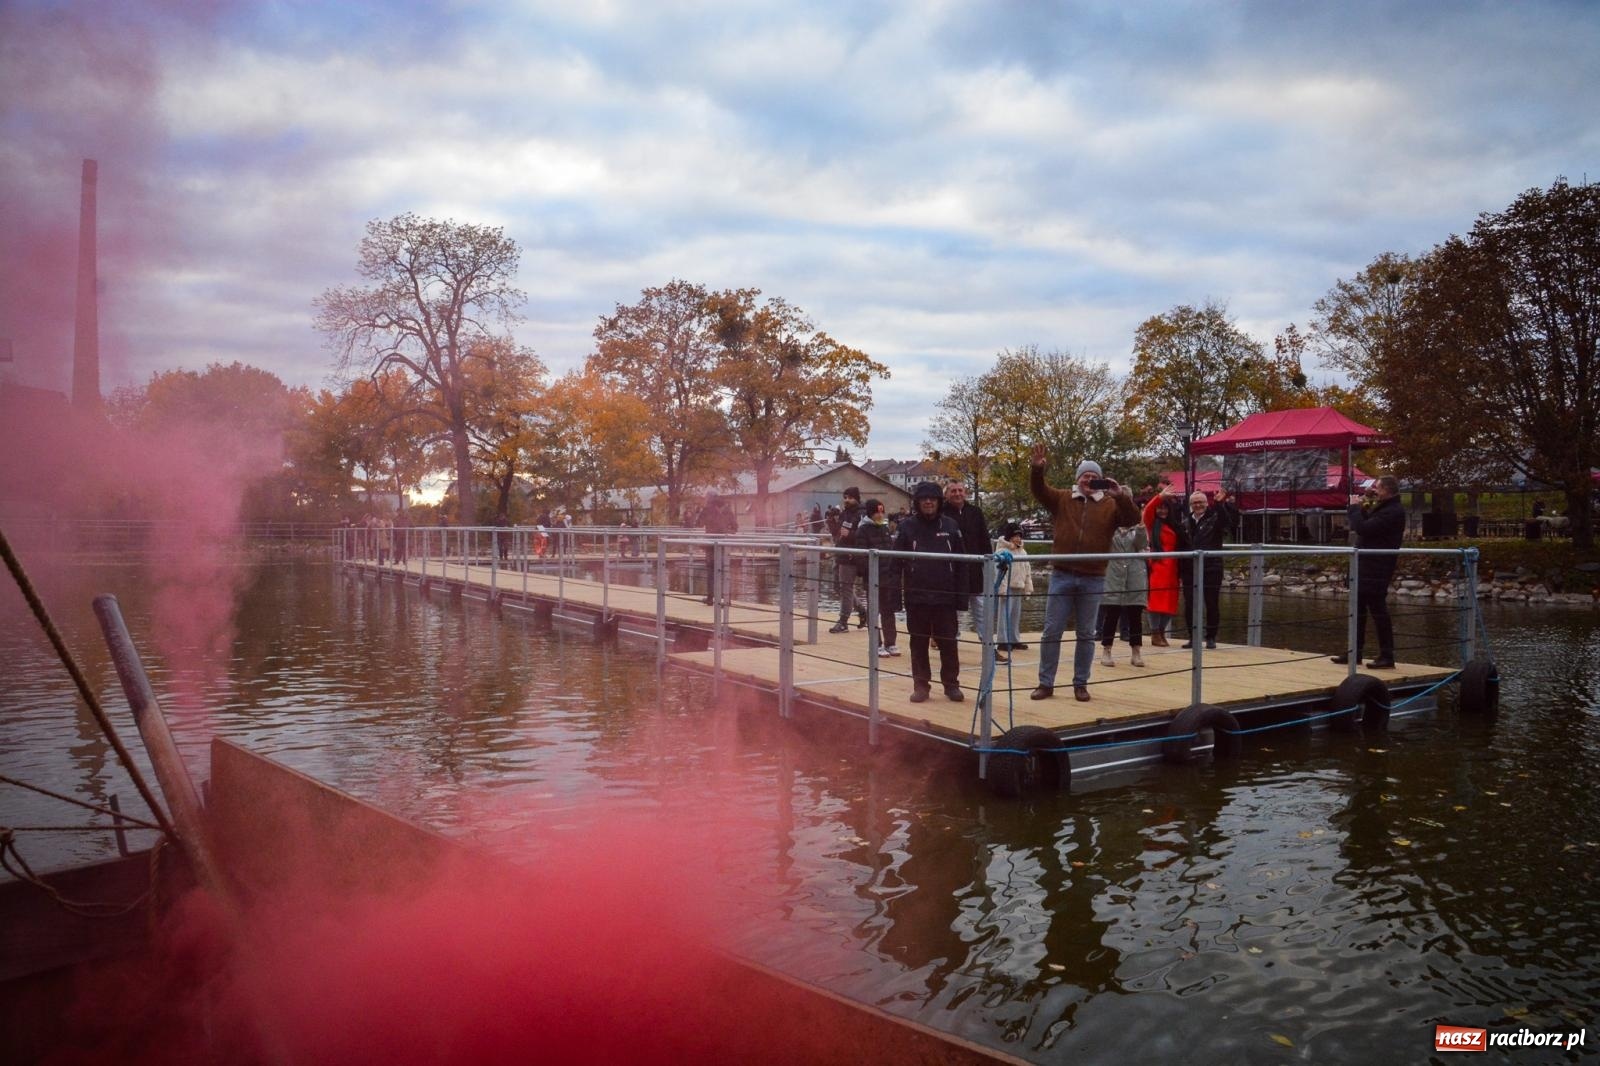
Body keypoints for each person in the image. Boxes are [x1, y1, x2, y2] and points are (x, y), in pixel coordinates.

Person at [1029, 446, 1139, 702]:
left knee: (1086, 634)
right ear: (1077, 478)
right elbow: (1039, 490)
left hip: (1093, 576)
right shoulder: (1062, 498)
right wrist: (1037, 468)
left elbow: (1132, 519)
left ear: (1101, 480)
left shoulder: (1110, 504)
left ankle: (1081, 683)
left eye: (1094, 477)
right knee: (1052, 631)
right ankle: (1045, 683)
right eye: (1085, 476)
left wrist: (1121, 496)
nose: (1089, 480)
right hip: (1062, 574)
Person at [893, 481, 965, 702]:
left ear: (939, 502)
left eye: (932, 499)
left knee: (949, 643)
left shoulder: (951, 526)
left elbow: (962, 564)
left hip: (945, 596)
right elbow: (894, 565)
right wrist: (895, 598)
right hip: (916, 596)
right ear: (917, 502)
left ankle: (951, 684)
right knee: (918, 643)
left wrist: (962, 599)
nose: (928, 502)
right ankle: (921, 685)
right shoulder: (906, 527)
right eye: (924, 499)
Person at [1335, 474, 1405, 668]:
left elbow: (1363, 529)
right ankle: (1354, 652)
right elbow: (1369, 526)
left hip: (1377, 567)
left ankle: (1387, 655)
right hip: (1367, 566)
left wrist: (1354, 508)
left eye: (1378, 488)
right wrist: (1363, 506)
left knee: (1378, 611)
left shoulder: (1393, 511)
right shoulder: (1385, 508)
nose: (1375, 491)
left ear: (1386, 490)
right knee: (1358, 610)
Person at [1180, 488, 1239, 649]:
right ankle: (1193, 637)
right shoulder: (1185, 521)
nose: (1198, 505)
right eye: (1194, 503)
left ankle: (1211, 637)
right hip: (1190, 569)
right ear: (1191, 505)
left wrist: (1220, 504)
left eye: (1200, 502)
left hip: (1212, 567)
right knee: (1190, 604)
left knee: (1211, 603)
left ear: (1207, 503)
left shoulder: (1215, 517)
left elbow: (1228, 522)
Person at [941, 481, 991, 641]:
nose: (957, 494)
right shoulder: (941, 513)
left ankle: (988, 643)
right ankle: (950, 642)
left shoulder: (975, 512)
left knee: (981, 607)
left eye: (960, 490)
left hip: (974, 568)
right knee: (952, 609)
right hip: (952, 570)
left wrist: (988, 560)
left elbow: (984, 538)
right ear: (947, 494)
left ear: (965, 492)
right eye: (953, 491)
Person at [1098, 518, 1148, 667]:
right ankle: (1106, 650)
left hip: (1134, 574)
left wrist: (1140, 528)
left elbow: (1142, 545)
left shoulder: (1137, 528)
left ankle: (1136, 652)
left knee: (1135, 614)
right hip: (1114, 573)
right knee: (1111, 613)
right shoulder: (1109, 527)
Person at [1142, 489, 1189, 646]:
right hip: (1158, 567)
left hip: (1173, 567)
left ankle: (1161, 632)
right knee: (1155, 602)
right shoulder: (1151, 524)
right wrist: (1159, 497)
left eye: (1165, 508)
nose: (1163, 511)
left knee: (1170, 602)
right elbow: (1147, 510)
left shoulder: (1174, 525)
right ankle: (1155, 632)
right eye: (1160, 508)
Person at [855, 498, 901, 657]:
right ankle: (876, 644)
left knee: (888, 609)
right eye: (877, 512)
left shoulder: (884, 528)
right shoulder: (862, 530)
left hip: (887, 575)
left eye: (882, 512)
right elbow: (861, 556)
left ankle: (891, 642)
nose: (880, 515)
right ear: (870, 513)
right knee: (874, 610)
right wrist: (867, 572)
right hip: (872, 577)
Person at [826, 487, 869, 633]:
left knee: (846, 588)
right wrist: (831, 520)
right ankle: (862, 611)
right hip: (841, 553)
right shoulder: (845, 513)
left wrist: (850, 534)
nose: (847, 500)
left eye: (850, 498)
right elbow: (837, 533)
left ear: (856, 498)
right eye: (845, 497)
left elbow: (866, 535)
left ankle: (843, 621)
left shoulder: (862, 514)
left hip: (852, 556)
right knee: (838, 587)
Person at [994, 521, 1031, 658]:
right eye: (1015, 536)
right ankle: (1002, 641)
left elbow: (1027, 570)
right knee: (1004, 614)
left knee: (1015, 614)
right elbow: (999, 572)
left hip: (1018, 586)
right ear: (1009, 536)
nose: (1018, 539)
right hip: (1007, 587)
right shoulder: (1002, 551)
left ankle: (1014, 639)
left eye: (1020, 536)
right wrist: (1002, 589)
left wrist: (1028, 587)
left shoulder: (1023, 552)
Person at [701, 491, 738, 605]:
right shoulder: (727, 509)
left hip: (711, 545)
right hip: (723, 544)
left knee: (711, 571)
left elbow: (698, 523)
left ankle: (710, 598)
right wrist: (726, 532)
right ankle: (726, 599)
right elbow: (735, 527)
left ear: (708, 499)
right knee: (724, 571)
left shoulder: (707, 509)